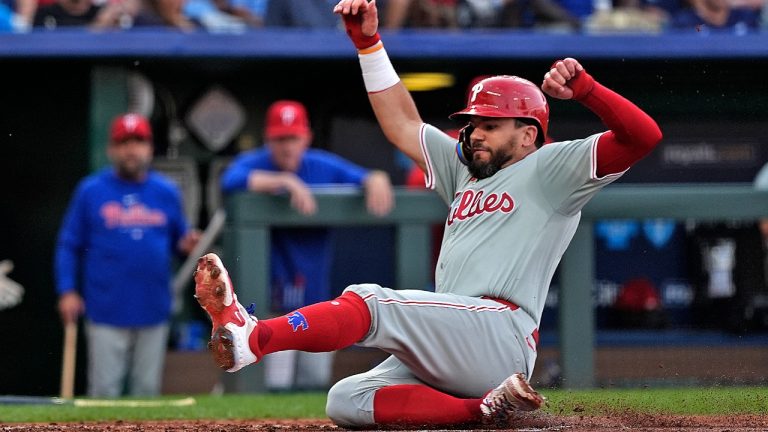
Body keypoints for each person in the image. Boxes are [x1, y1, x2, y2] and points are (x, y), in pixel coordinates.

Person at [194, 0, 662, 428]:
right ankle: (486, 409)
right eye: (473, 123)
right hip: (454, 335)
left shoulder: (551, 167)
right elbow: (402, 123)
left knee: (372, 302)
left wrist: (587, 90)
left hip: (500, 329)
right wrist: (369, 45)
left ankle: (253, 337)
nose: (476, 133)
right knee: (346, 398)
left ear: (528, 134)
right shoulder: (466, 170)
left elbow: (643, 137)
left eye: (491, 125)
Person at [219, 99, 394, 390]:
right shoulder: (257, 163)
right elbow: (229, 180)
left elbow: (367, 177)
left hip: (315, 296)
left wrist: (376, 178)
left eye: (294, 138)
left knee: (314, 380)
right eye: (280, 139)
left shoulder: (319, 164)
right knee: (274, 382)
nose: (288, 146)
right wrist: (285, 181)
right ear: (268, 140)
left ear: (306, 138)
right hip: (270, 299)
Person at [55, 113, 200, 397]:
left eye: (138, 142)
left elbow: (179, 241)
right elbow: (69, 244)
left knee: (146, 392)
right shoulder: (91, 190)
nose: (131, 149)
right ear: (111, 149)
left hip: (153, 307)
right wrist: (67, 290)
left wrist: (188, 245)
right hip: (106, 308)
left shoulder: (166, 191)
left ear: (150, 148)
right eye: (124, 142)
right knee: (105, 392)